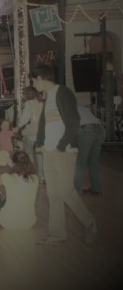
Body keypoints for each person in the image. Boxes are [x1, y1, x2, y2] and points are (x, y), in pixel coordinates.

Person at [31, 64, 96, 244]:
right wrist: (40, 143)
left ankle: (89, 222)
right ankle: (57, 234)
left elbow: (74, 121)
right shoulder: (49, 97)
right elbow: (44, 124)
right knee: (53, 194)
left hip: (63, 151)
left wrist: (61, 145)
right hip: (49, 151)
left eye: (33, 81)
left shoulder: (63, 93)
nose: (34, 85)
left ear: (40, 78)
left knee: (66, 191)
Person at [74, 104, 105, 196]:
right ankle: (97, 189)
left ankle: (75, 191)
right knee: (93, 162)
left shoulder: (67, 107)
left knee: (80, 163)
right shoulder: (81, 107)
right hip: (100, 130)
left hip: (86, 131)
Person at [18, 85, 45, 183]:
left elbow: (25, 119)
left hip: (31, 131)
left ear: (28, 94)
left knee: (28, 153)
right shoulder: (42, 102)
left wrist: (18, 126)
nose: (23, 95)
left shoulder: (29, 103)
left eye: (24, 93)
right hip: (42, 131)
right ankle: (42, 176)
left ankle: (32, 174)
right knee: (40, 154)